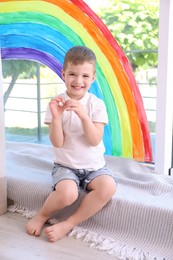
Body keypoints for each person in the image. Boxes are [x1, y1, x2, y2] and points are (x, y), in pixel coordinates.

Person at [26, 46, 116, 242]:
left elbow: (94, 140)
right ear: (64, 74)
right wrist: (57, 118)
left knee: (108, 187)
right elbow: (57, 143)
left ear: (92, 79)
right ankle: (42, 215)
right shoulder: (56, 103)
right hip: (66, 166)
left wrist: (84, 116)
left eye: (85, 76)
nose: (78, 80)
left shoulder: (96, 105)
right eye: (73, 74)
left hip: (94, 167)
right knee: (68, 194)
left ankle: (69, 223)